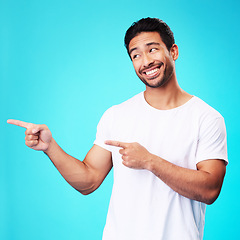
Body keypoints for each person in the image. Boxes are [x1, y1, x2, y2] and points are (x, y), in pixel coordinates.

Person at [7, 17, 228, 240]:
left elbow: (209, 190)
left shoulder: (206, 118)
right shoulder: (117, 115)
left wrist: (150, 161)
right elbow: (89, 180)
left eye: (153, 49)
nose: (146, 61)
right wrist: (50, 147)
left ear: (173, 51)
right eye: (136, 55)